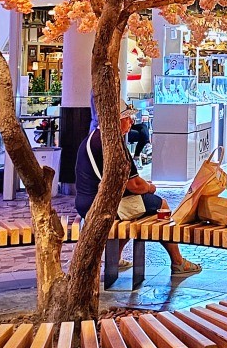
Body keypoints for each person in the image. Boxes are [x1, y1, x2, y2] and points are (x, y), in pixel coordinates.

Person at [75, 105, 201, 275]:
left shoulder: (93, 138)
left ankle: (115, 258)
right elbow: (134, 185)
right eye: (127, 118)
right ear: (116, 121)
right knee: (160, 205)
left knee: (134, 213)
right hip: (102, 206)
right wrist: (149, 187)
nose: (131, 121)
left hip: (85, 202)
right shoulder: (113, 146)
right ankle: (178, 262)